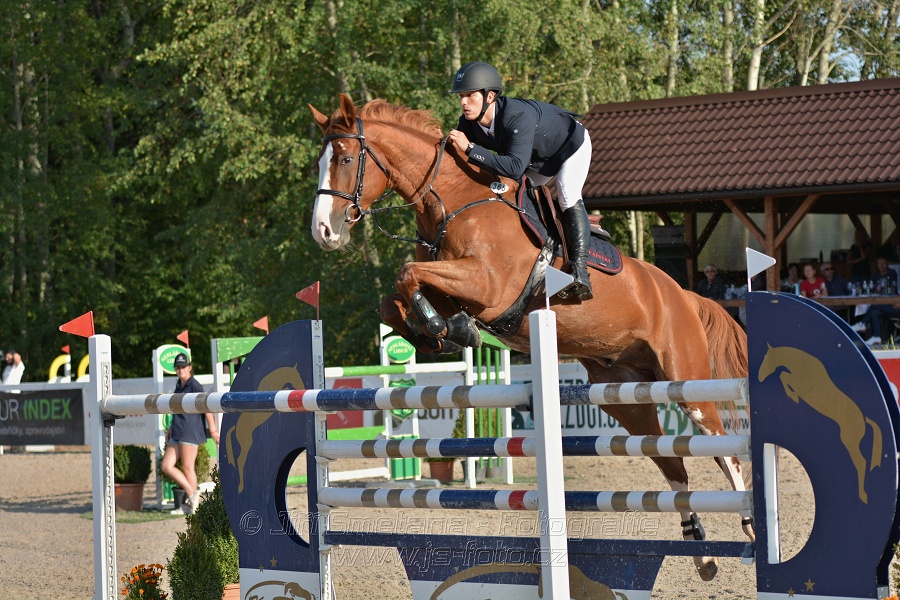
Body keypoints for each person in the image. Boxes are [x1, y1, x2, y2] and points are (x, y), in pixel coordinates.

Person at [446, 61, 593, 301]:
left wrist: (471, 149)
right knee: (508, 195)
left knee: (567, 194)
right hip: (537, 160)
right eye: (461, 96)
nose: (463, 102)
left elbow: (514, 168)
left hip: (569, 146)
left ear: (489, 96)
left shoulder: (516, 116)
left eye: (470, 95)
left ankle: (580, 272)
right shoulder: (468, 125)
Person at [160, 353, 219, 514]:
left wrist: (212, 430)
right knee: (166, 465)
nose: (180, 370)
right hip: (178, 430)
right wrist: (171, 426)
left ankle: (192, 503)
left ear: (190, 368)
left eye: (183, 367)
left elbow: (206, 406)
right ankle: (192, 495)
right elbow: (177, 408)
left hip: (190, 431)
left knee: (187, 468)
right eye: (177, 367)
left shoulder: (195, 385)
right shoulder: (179, 385)